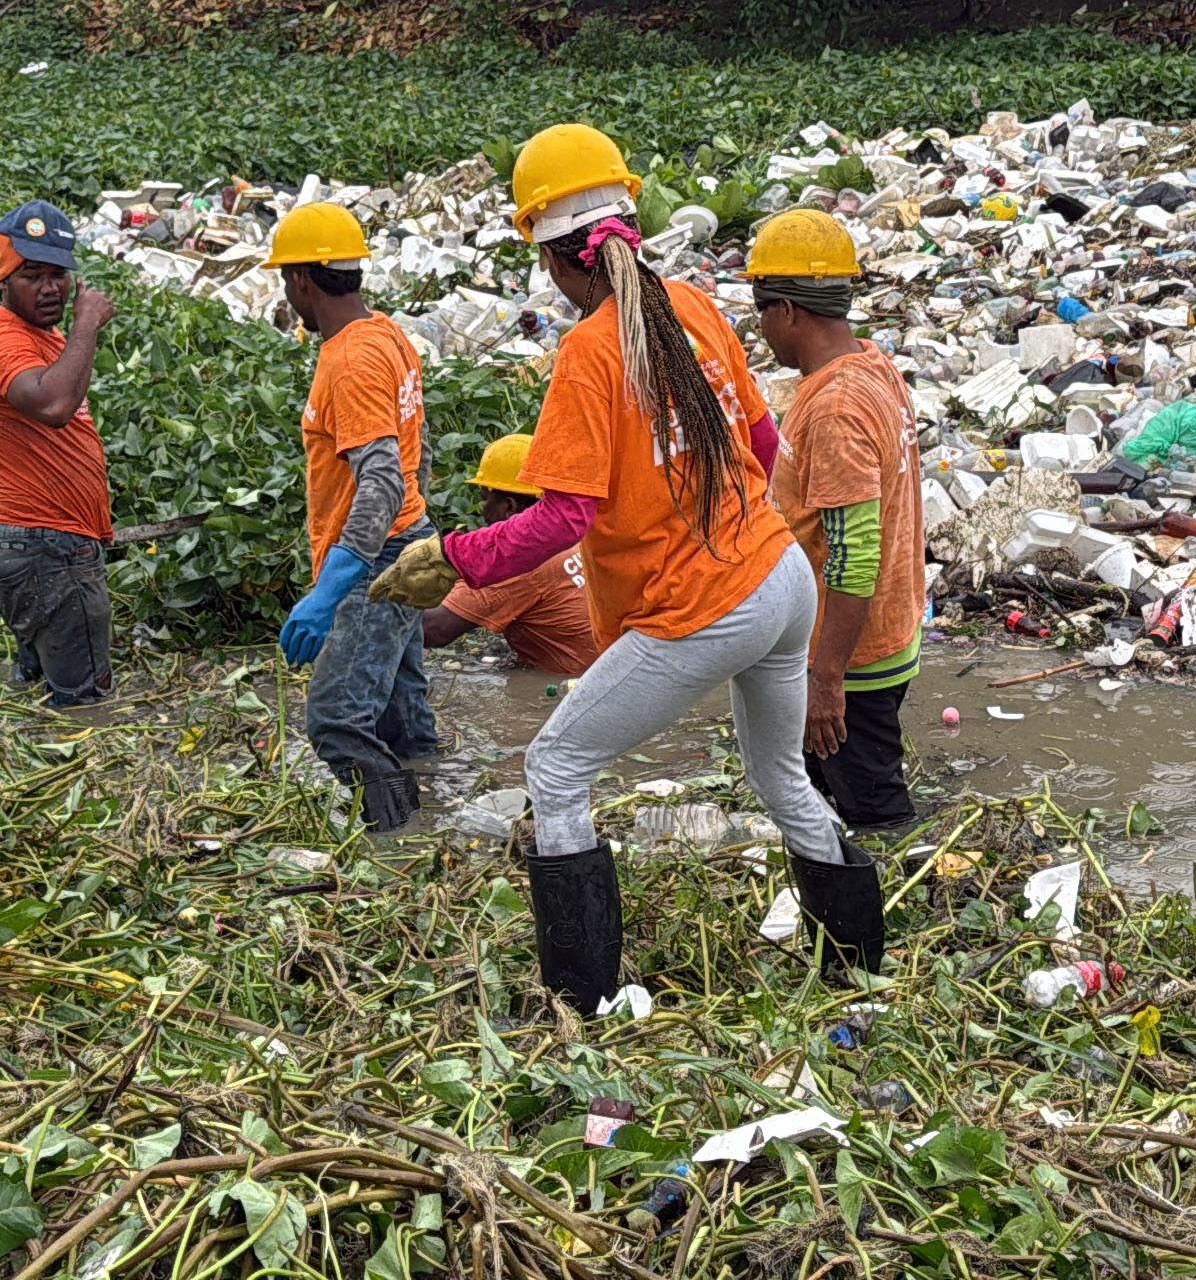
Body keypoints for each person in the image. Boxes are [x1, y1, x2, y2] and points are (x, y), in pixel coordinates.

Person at [369, 125, 881, 1008]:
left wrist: (450, 556)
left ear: (556, 261)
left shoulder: (590, 350)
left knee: (556, 769)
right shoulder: (694, 303)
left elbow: (564, 520)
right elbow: (764, 443)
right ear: (628, 227)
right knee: (779, 776)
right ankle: (860, 973)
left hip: (710, 607)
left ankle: (582, 1001)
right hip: (781, 580)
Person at [742, 211, 925, 833]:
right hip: (875, 635)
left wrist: (825, 679)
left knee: (877, 814)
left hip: (853, 656)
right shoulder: (871, 365)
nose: (761, 329)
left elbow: (855, 553)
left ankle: (907, 909)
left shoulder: (839, 407)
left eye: (762, 310)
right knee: (823, 792)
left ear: (788, 311)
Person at [266, 201, 435, 831]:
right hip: (411, 546)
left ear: (303, 279)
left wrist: (332, 589)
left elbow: (382, 482)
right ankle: (439, 825)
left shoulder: (351, 359)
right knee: (401, 718)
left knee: (336, 720)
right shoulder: (384, 333)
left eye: (288, 279)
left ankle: (400, 843)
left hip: (381, 558)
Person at [0, 200, 117, 707]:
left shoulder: (38, 337)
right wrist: (87, 325)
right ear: (3, 280)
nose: (51, 288)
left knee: (39, 688)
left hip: (32, 540)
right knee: (85, 706)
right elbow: (53, 404)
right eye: (33, 276)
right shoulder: (3, 343)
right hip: (46, 548)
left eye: (59, 275)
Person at [423, 435, 605, 676]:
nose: (482, 510)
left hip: (573, 682)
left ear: (508, 506)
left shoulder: (518, 562)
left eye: (484, 499)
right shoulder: (578, 531)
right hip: (610, 667)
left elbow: (435, 629)